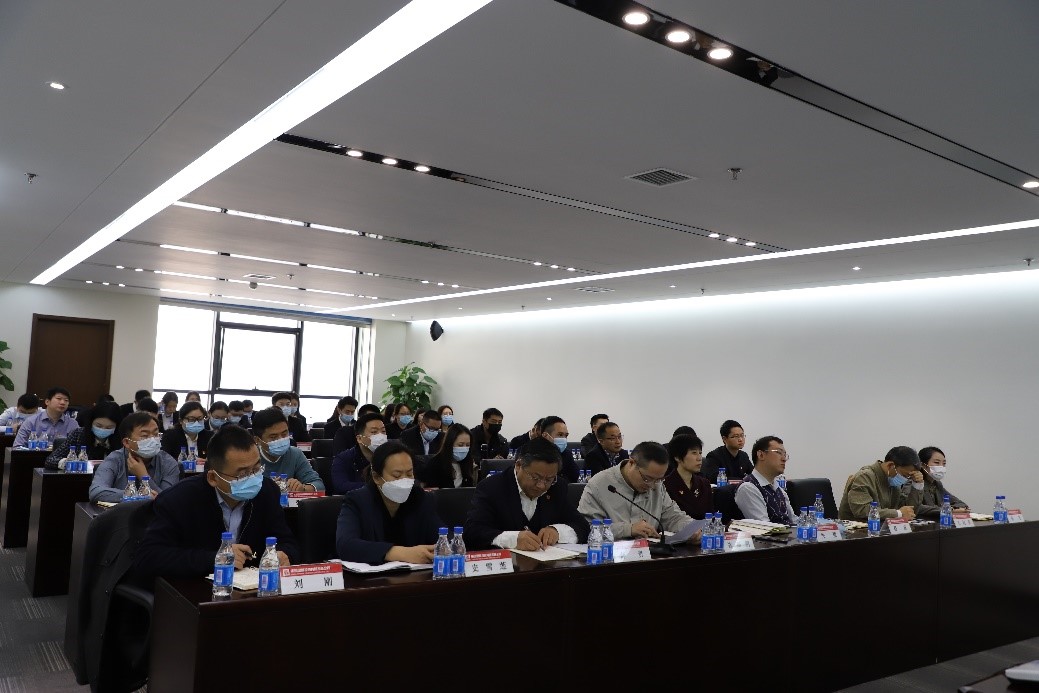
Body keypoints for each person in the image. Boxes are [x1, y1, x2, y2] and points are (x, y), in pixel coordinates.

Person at [131, 423, 300, 581]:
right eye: (242, 474)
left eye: (256, 469)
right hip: (195, 588)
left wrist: (285, 554)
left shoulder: (267, 491)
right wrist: (216, 558)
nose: (253, 478)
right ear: (213, 477)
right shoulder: (178, 499)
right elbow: (148, 558)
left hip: (252, 588)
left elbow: (287, 541)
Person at [464, 438, 589, 550]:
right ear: (518, 465)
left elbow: (582, 526)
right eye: (535, 477)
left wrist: (557, 531)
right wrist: (513, 539)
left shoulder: (557, 487)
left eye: (549, 479)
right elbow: (472, 532)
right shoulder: (491, 487)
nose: (541, 485)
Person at [336, 442, 441, 565]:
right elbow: (346, 545)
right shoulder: (357, 501)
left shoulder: (420, 497)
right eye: (397, 475)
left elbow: (443, 536)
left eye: (409, 474)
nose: (404, 480)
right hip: (374, 575)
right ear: (376, 477)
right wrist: (401, 553)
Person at [579, 441, 695, 540]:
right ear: (631, 463)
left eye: (658, 479)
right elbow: (585, 529)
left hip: (650, 554)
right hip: (610, 554)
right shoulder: (599, 485)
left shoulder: (657, 485)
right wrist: (628, 529)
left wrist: (691, 528)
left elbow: (673, 517)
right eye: (647, 479)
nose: (652, 486)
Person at [89, 412, 180, 503]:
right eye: (145, 436)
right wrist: (137, 496)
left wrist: (143, 476)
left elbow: (168, 500)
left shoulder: (168, 462)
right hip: (121, 512)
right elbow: (96, 492)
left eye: (156, 434)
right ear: (127, 442)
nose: (153, 440)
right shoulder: (115, 459)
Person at [838, 446, 924, 520]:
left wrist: (917, 485)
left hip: (882, 528)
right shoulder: (864, 476)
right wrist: (898, 513)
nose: (905, 479)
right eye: (905, 475)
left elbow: (908, 510)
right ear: (890, 466)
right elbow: (862, 510)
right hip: (856, 530)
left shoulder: (892, 480)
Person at [251, 408, 324, 491]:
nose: (281, 439)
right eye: (273, 437)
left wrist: (303, 489)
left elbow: (319, 485)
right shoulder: (249, 458)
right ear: (258, 440)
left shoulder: (295, 453)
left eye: (284, 434)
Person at [735, 436, 796, 524]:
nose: (784, 459)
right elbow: (765, 528)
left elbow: (794, 521)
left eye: (784, 455)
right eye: (778, 452)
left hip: (788, 532)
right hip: (771, 533)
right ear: (761, 455)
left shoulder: (779, 489)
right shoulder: (748, 488)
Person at [46, 401, 122, 469]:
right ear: (91, 422)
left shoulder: (122, 439)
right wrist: (70, 464)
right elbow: (51, 460)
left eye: (109, 427)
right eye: (98, 426)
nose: (103, 430)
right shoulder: (79, 434)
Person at [331, 412, 386, 493]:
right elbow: (341, 486)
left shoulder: (391, 456)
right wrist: (378, 486)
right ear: (359, 438)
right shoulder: (343, 459)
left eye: (383, 431)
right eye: (374, 432)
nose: (381, 436)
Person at [663, 433, 714, 520]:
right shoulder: (666, 486)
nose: (699, 458)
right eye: (694, 453)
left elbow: (711, 516)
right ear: (677, 457)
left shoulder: (704, 484)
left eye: (700, 453)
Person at [517, 415, 579, 483]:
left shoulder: (566, 454)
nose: (564, 439)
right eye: (560, 435)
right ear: (545, 436)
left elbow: (574, 477)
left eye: (566, 435)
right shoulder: (527, 451)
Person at [913, 446, 969, 519]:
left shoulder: (937, 484)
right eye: (937, 462)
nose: (941, 467)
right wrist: (949, 510)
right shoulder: (914, 482)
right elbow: (917, 507)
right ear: (923, 465)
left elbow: (959, 503)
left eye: (944, 463)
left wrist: (958, 509)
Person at [14, 386, 80, 447]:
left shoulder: (72, 424)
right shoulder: (31, 421)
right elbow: (17, 447)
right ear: (47, 402)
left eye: (66, 400)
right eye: (59, 399)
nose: (63, 402)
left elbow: (78, 447)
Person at [419, 423, 477, 489]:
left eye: (468, 445)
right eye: (460, 445)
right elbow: (432, 491)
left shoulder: (468, 462)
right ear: (450, 444)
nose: (464, 448)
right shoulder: (435, 464)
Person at [702, 420, 753, 484]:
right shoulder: (714, 456)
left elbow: (753, 476)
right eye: (736, 436)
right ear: (724, 439)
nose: (740, 439)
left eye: (742, 435)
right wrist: (743, 481)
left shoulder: (744, 456)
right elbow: (714, 479)